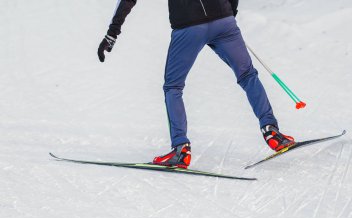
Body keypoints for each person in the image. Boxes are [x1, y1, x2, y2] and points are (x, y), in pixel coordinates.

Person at [98, 0, 295, 169]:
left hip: (189, 27)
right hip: (223, 21)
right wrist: (229, 12)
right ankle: (272, 132)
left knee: (173, 87)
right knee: (247, 75)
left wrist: (112, 33)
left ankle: (181, 150)